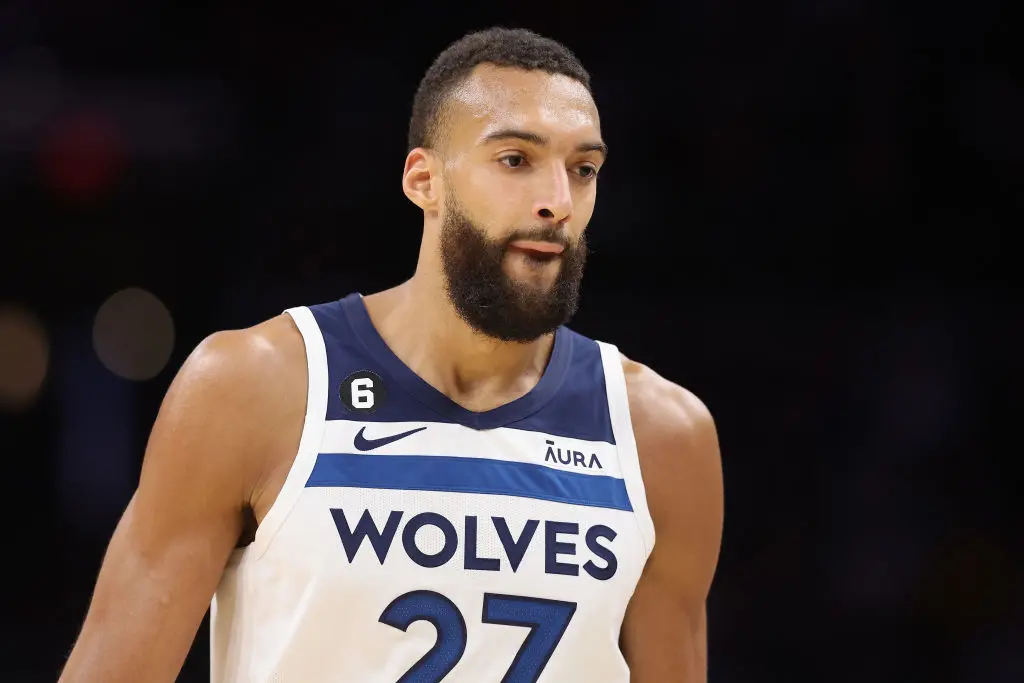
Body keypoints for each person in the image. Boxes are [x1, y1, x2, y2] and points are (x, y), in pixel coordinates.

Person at [59, 27, 724, 683]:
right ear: (423, 179)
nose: (557, 200)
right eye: (516, 159)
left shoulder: (662, 436)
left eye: (583, 169)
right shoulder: (255, 386)